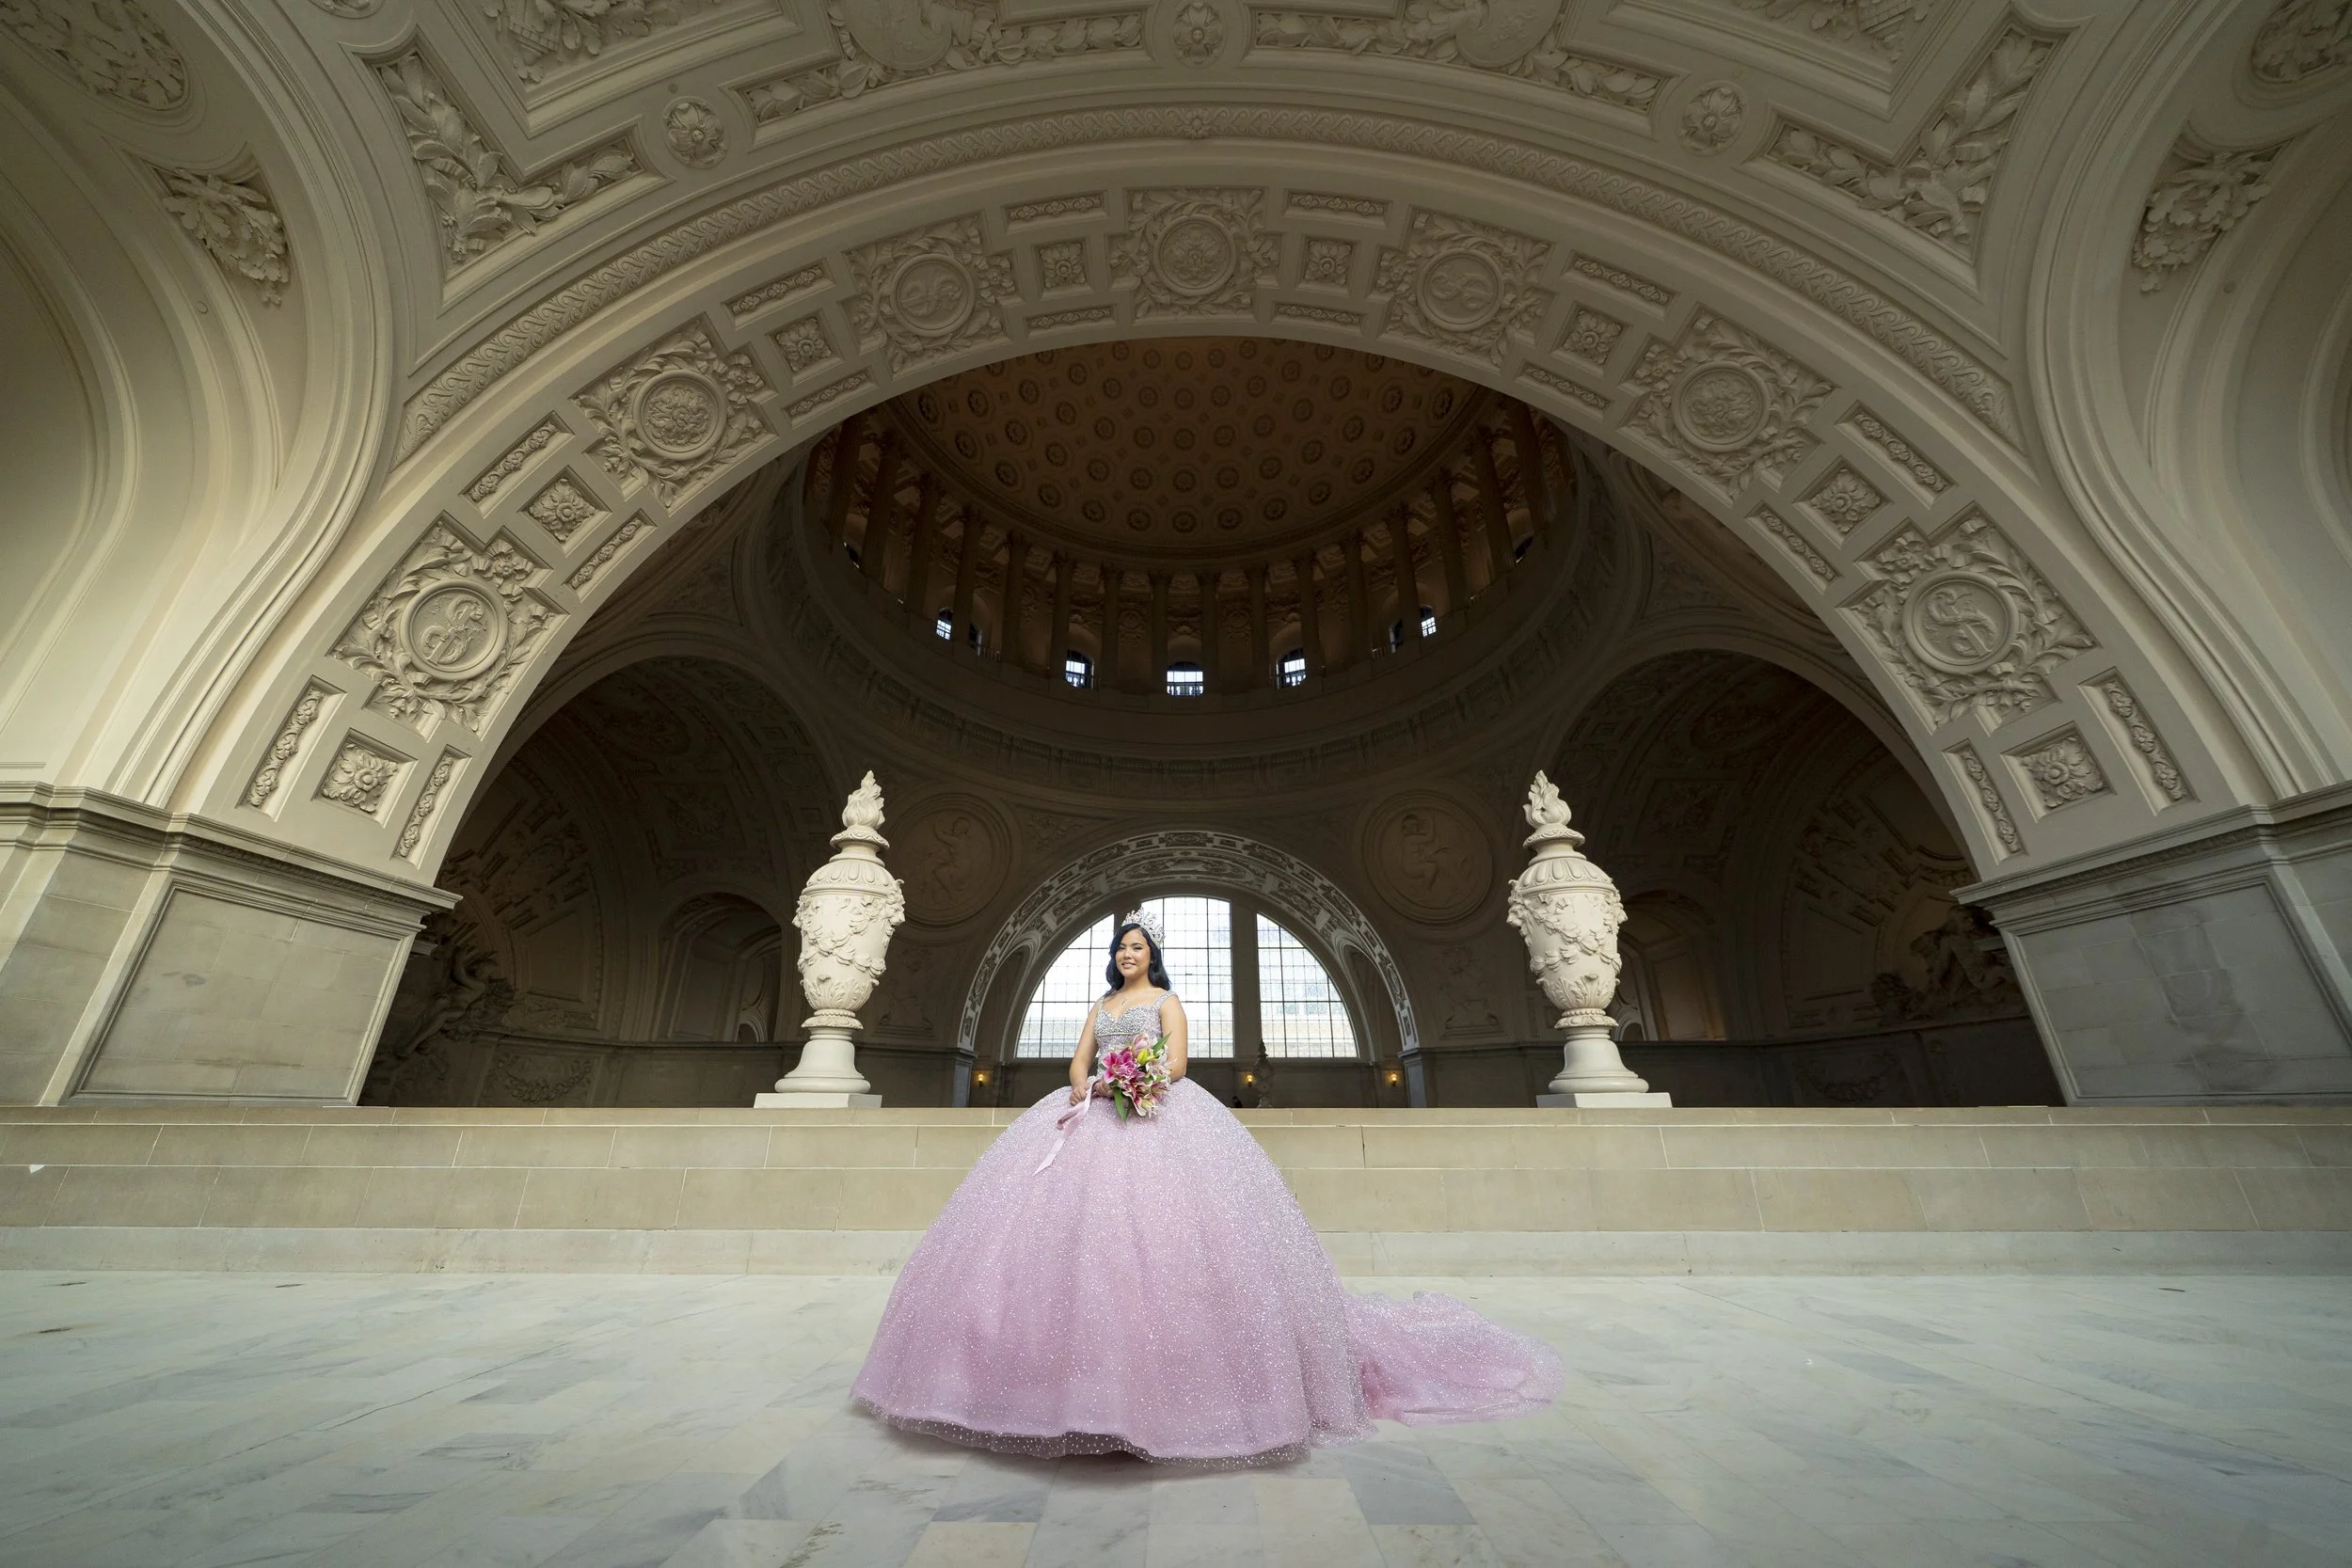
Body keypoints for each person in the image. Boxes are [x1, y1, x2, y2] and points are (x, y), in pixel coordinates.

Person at [850, 907, 1563, 1465]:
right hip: (1091, 1109)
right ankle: (1053, 1395)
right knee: (1055, 1244)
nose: (1129, 956)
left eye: (1138, 948)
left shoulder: (1166, 999)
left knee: (1172, 1243)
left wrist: (1137, 1081)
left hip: (1159, 1109)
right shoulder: (1100, 1009)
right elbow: (1076, 1064)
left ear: (1151, 956)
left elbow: (1181, 1063)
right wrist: (1094, 1086)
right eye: (1121, 949)